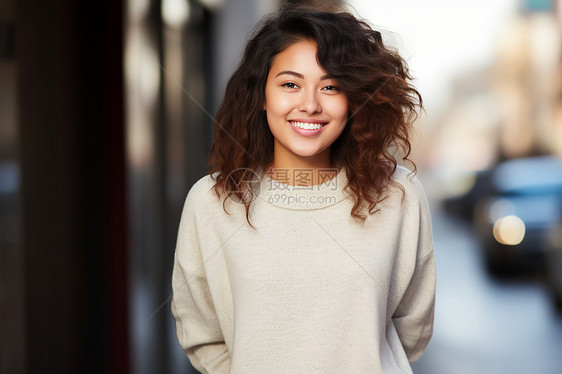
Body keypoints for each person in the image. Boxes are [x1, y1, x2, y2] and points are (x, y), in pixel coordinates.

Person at [171, 4, 435, 374]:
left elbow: (412, 327)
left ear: (353, 100)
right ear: (262, 95)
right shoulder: (213, 202)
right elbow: (202, 335)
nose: (310, 105)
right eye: (290, 84)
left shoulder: (399, 194)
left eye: (331, 86)